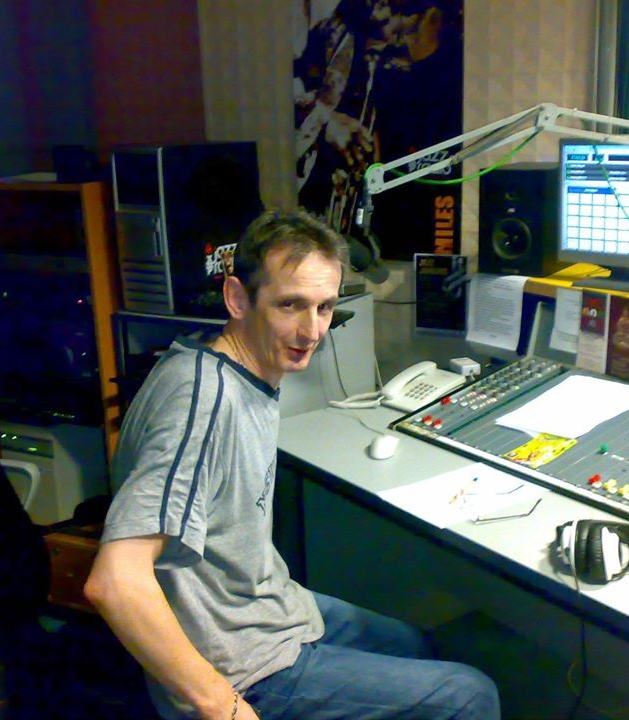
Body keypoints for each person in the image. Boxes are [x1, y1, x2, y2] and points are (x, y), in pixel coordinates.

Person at [84, 208, 501, 720]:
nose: (312, 330)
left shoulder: (233, 369)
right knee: (470, 694)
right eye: (291, 305)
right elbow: (115, 581)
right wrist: (222, 705)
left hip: (266, 608)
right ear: (237, 298)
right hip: (239, 666)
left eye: (325, 307)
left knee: (414, 644)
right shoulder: (203, 399)